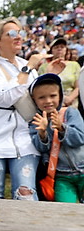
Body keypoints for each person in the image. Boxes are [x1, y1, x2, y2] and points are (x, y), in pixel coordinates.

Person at [0, 17, 64, 200]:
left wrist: (49, 76)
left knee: (26, 194)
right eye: (12, 33)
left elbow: (37, 102)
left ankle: (25, 229)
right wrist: (29, 67)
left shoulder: (29, 69)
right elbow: (4, 98)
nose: (19, 37)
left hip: (25, 142)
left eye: (21, 33)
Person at [29, 73, 84, 203]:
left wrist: (62, 128)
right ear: (34, 100)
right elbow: (41, 149)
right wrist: (42, 133)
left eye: (53, 96)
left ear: (60, 96)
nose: (48, 101)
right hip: (61, 175)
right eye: (41, 97)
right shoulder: (36, 121)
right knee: (63, 209)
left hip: (83, 168)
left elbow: (80, 137)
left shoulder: (70, 112)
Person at [38, 38, 81, 108]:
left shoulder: (74, 65)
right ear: (51, 50)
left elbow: (78, 87)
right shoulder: (44, 67)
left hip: (71, 102)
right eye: (56, 47)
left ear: (66, 50)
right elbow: (41, 86)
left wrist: (70, 98)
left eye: (62, 47)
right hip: (51, 101)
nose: (59, 49)